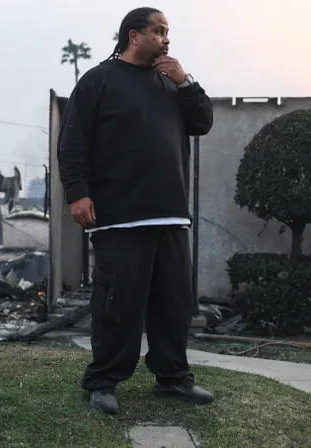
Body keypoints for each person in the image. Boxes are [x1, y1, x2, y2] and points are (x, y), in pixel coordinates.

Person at [58, 7, 214, 414]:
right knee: (117, 304)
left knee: (173, 305)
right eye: (158, 31)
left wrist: (186, 81)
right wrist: (78, 193)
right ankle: (103, 381)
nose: (166, 39)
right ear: (134, 36)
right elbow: (73, 142)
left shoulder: (170, 83)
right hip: (120, 215)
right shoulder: (99, 81)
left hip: (171, 215)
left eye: (168, 32)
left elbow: (202, 123)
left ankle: (173, 378)